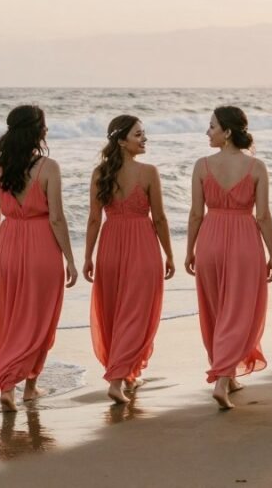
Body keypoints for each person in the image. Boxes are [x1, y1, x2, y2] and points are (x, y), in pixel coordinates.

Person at [185, 106, 272, 409]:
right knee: (240, 311)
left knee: (215, 309)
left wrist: (190, 249)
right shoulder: (256, 167)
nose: (207, 132)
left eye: (212, 127)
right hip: (244, 241)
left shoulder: (202, 166)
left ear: (227, 132)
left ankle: (228, 374)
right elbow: (262, 215)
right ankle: (223, 380)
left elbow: (196, 213)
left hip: (210, 240)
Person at [0, 104, 78, 412]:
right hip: (42, 248)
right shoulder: (48, 167)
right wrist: (70, 258)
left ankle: (8, 386)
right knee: (40, 319)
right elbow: (56, 219)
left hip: (7, 246)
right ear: (37, 131)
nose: (47, 130)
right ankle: (29, 387)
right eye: (44, 125)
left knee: (10, 316)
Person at [83, 115, 175, 404]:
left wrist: (88, 256)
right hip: (142, 246)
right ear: (121, 140)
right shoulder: (148, 172)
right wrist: (169, 253)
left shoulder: (100, 173)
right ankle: (118, 378)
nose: (144, 138)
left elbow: (94, 219)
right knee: (137, 312)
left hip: (110, 245)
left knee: (114, 311)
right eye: (138, 134)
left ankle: (127, 373)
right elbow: (159, 218)